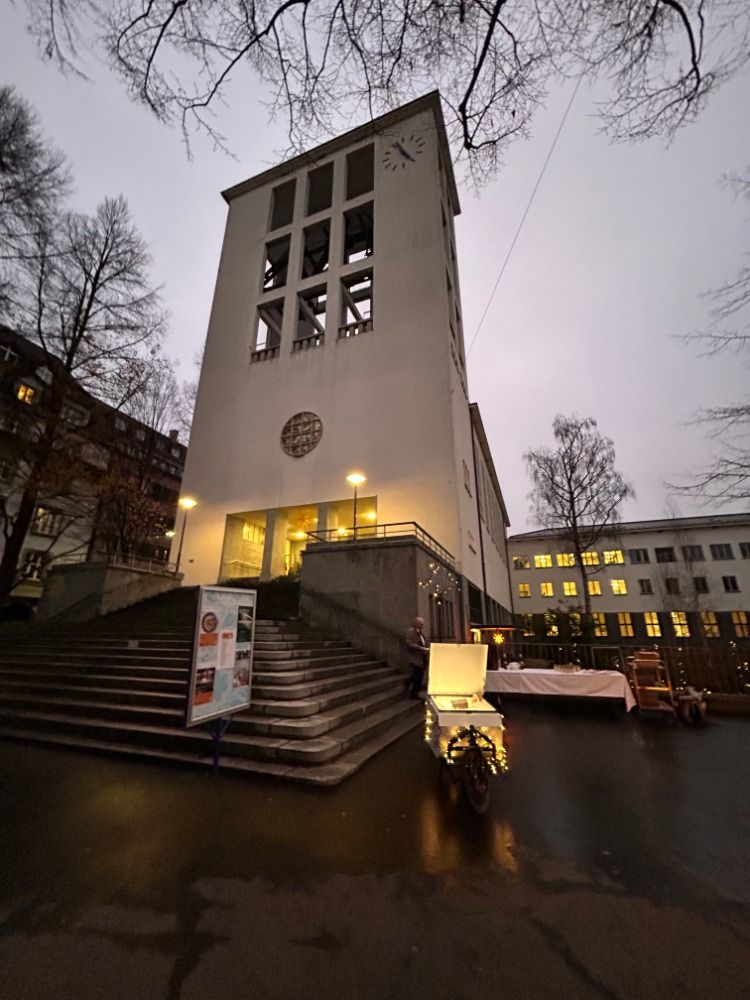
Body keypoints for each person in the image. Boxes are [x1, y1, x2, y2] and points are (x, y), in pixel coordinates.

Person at [406, 616, 429, 699]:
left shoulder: (420, 633)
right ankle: (414, 693)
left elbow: (424, 642)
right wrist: (420, 648)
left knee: (418, 675)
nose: (422, 626)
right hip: (415, 658)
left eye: (422, 624)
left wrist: (426, 648)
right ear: (416, 623)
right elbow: (409, 643)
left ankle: (409, 685)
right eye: (421, 624)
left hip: (422, 658)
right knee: (417, 676)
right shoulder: (411, 632)